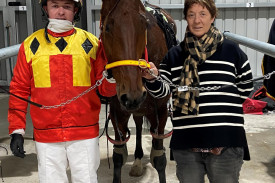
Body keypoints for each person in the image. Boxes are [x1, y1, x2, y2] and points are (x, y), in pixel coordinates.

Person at [142, 0, 254, 182]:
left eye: (203, 14)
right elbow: (162, 92)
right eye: (191, 14)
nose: (197, 20)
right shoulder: (174, 55)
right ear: (186, 17)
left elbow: (245, 88)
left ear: (213, 16)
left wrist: (219, 107)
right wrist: (152, 78)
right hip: (187, 146)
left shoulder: (231, 50)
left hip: (226, 143)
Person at [8, 0, 116, 182]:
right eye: (55, 5)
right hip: (47, 134)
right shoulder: (30, 45)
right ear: (45, 9)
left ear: (75, 11)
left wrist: (112, 78)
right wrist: (17, 130)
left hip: (84, 134)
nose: (60, 12)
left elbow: (105, 91)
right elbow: (18, 88)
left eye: (66, 7)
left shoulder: (92, 44)